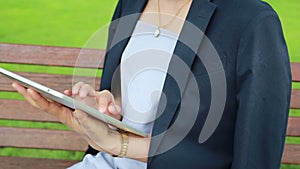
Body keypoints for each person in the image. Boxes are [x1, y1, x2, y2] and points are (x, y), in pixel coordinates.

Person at [12, 0, 291, 168]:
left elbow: (255, 155)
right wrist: (101, 109)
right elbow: (129, 113)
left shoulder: (252, 21)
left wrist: (117, 143)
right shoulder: (131, 3)